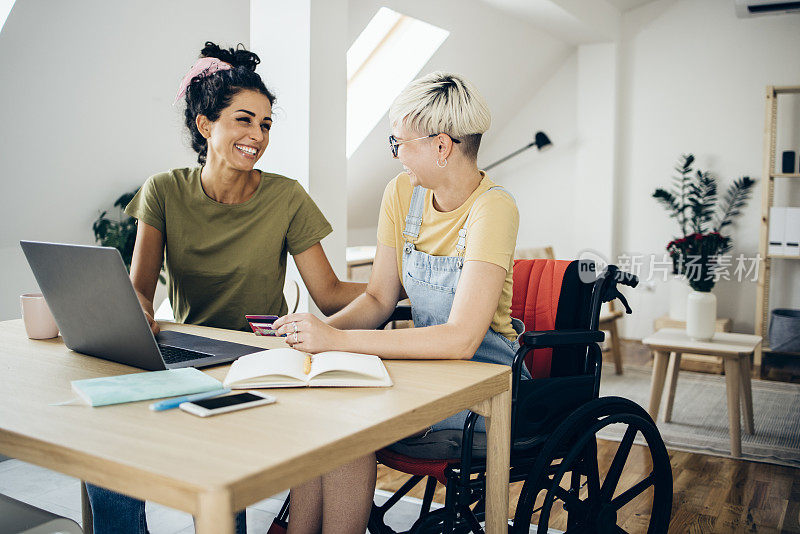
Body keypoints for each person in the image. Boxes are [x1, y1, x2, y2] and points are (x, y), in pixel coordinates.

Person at [84, 42, 366, 534]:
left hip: (257, 360)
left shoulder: (286, 196)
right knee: (103, 436)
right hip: (188, 353)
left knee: (218, 466)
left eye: (265, 124)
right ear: (205, 124)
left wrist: (396, 287)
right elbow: (140, 291)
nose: (257, 135)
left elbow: (329, 293)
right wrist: (133, 314)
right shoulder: (164, 190)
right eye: (244, 119)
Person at [271, 71, 528, 534]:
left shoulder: (494, 207)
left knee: (350, 419)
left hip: (485, 378)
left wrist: (339, 341)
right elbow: (378, 298)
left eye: (399, 142)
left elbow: (462, 339)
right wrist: (312, 339)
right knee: (318, 397)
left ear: (441, 146)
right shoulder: (401, 193)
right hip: (427, 368)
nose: (395, 154)